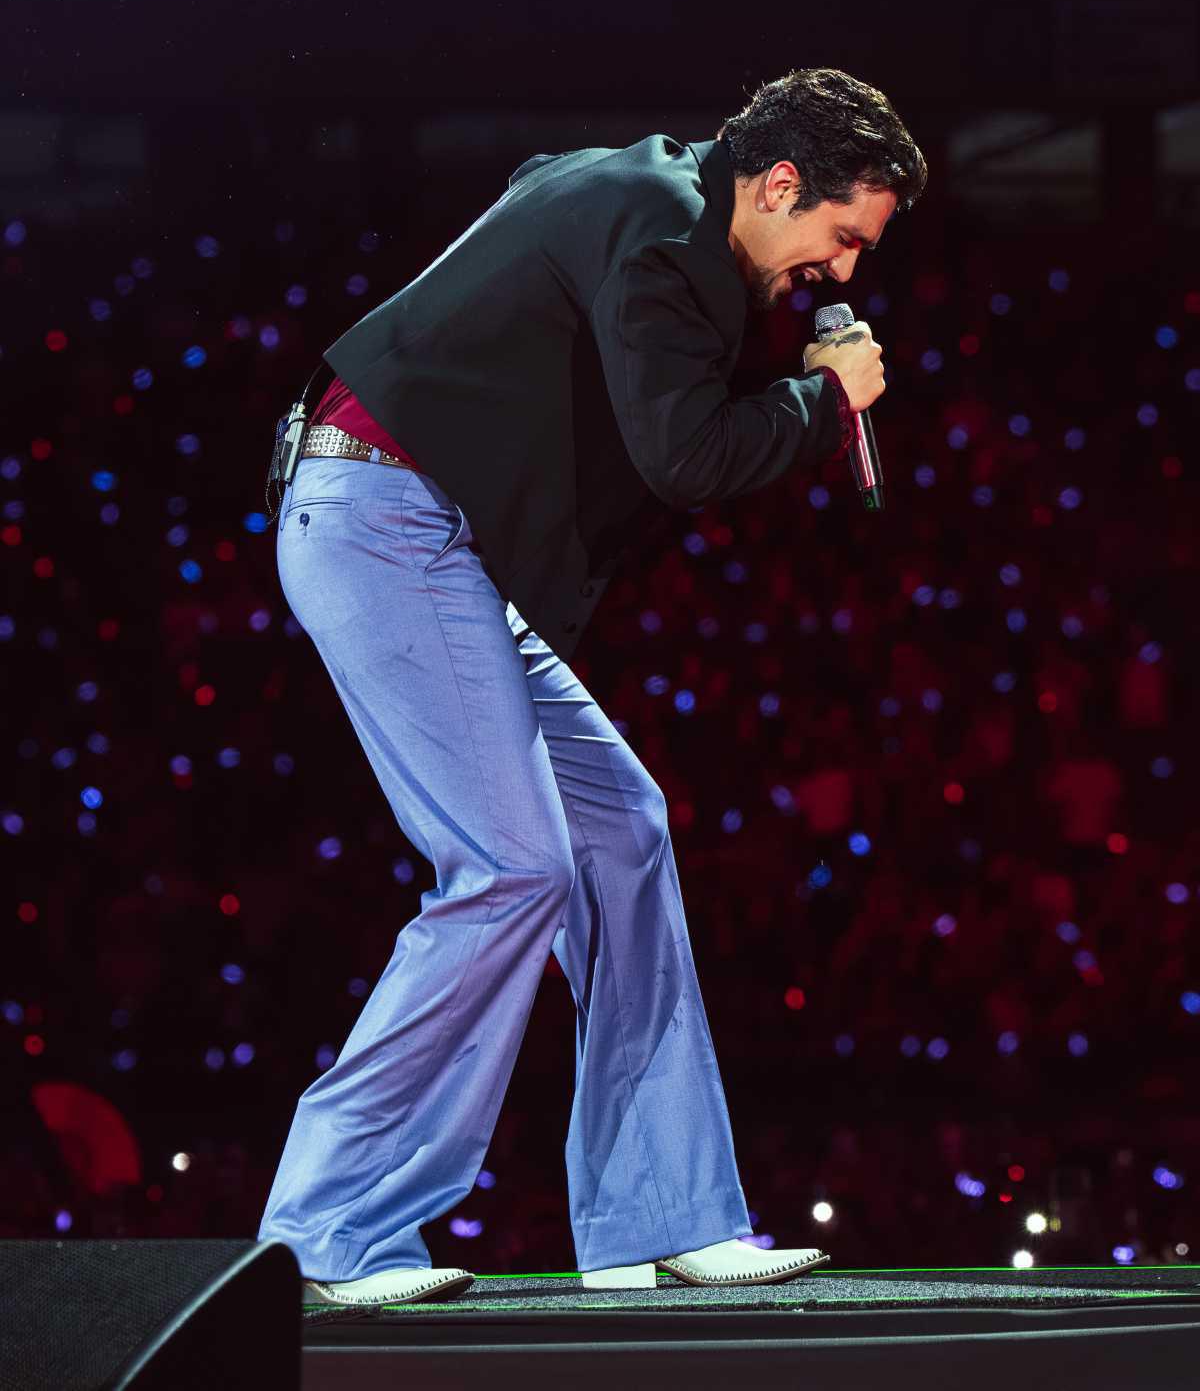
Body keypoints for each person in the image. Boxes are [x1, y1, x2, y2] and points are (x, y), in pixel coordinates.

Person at [257, 67, 926, 1307]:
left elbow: (534, 215)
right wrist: (825, 397)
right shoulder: (665, 236)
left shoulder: (648, 196)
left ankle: (660, 1215)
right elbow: (687, 456)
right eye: (842, 237)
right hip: (380, 516)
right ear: (780, 182)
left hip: (432, 532)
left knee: (623, 832)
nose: (841, 272)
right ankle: (329, 1228)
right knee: (512, 867)